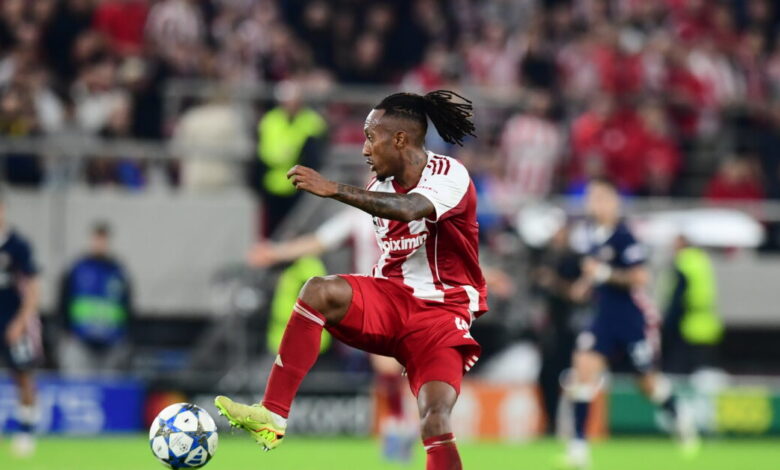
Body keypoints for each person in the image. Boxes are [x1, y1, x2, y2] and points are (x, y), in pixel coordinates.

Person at [215, 90, 486, 470]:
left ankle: (406, 434)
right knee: (318, 290)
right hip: (391, 301)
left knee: (435, 417)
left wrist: (334, 189)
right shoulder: (377, 189)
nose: (364, 149)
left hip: (441, 315)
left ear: (400, 139)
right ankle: (272, 414)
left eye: (371, 137)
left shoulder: (448, 174)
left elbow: (411, 209)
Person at [248, 207, 415, 462]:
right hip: (377, 301)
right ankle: (400, 424)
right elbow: (319, 241)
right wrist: (276, 252)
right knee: (388, 367)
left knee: (393, 366)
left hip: (408, 296)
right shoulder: (359, 217)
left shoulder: (413, 213)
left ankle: (402, 424)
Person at [561, 178, 699, 469]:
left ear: (614, 202)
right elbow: (593, 272)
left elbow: (639, 277)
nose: (595, 203)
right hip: (603, 318)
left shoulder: (626, 237)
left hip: (631, 319)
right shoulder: (591, 236)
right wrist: (584, 285)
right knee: (582, 372)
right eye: (592, 197)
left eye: (601, 197)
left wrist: (604, 274)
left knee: (647, 383)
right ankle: (578, 448)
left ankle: (677, 413)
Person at [57, 221, 134, 376]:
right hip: (80, 342)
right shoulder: (77, 269)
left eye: (103, 239)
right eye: (97, 239)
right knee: (79, 384)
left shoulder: (118, 272)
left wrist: (124, 338)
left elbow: (127, 307)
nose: (100, 243)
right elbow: (63, 303)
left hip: (111, 345)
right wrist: (65, 333)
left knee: (109, 385)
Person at [0, 196, 41, 457]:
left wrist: (21, 321)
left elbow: (33, 288)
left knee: (22, 375)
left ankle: (26, 431)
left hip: (12, 321)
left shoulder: (18, 246)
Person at [662, 235, 723, 374]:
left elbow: (678, 298)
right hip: (708, 326)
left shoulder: (683, 262)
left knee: (680, 372)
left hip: (687, 326)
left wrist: (668, 324)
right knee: (703, 372)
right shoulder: (702, 260)